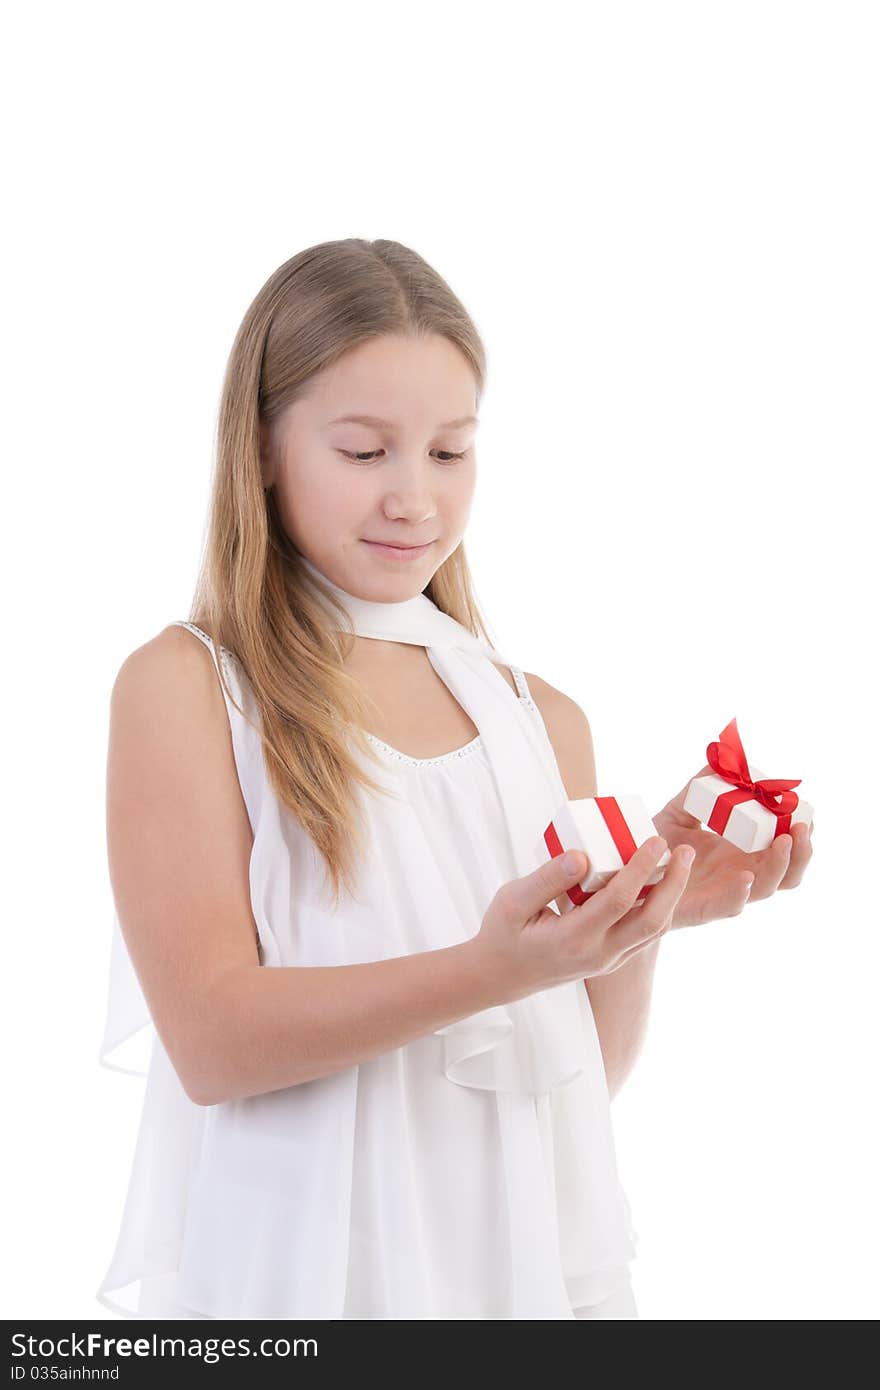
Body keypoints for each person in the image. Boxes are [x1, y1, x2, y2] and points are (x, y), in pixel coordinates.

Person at [96, 238, 814, 1321]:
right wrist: (491, 966)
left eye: (449, 452)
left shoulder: (540, 719)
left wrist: (639, 916)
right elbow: (212, 1040)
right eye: (363, 450)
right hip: (302, 1281)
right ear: (263, 448)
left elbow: (570, 1082)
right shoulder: (193, 689)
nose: (412, 500)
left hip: (508, 1275)